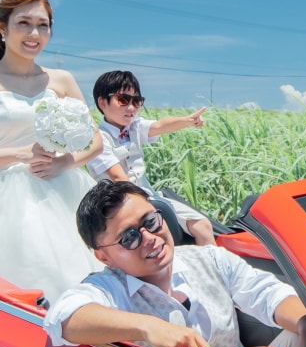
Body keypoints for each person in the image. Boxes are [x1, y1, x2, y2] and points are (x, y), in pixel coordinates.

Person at [0, 0, 103, 299]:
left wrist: (64, 162)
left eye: (43, 25)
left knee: (98, 270)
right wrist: (19, 154)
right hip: (17, 199)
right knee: (48, 278)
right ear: (2, 28)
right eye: (24, 23)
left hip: (70, 188)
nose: (35, 33)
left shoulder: (61, 79)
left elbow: (95, 141)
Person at [45, 180, 306, 347]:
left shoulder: (210, 258)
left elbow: (267, 293)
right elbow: (64, 318)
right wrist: (148, 327)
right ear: (104, 256)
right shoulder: (110, 287)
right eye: (129, 237)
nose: (150, 237)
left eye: (151, 221)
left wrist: (305, 323)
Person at [86, 69, 216, 245]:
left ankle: (213, 270)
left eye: (137, 101)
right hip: (119, 205)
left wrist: (187, 121)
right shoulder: (97, 139)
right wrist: (146, 207)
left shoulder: (135, 126)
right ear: (102, 102)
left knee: (202, 225)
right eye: (123, 100)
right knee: (163, 233)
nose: (131, 107)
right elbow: (118, 178)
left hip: (149, 196)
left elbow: (160, 125)